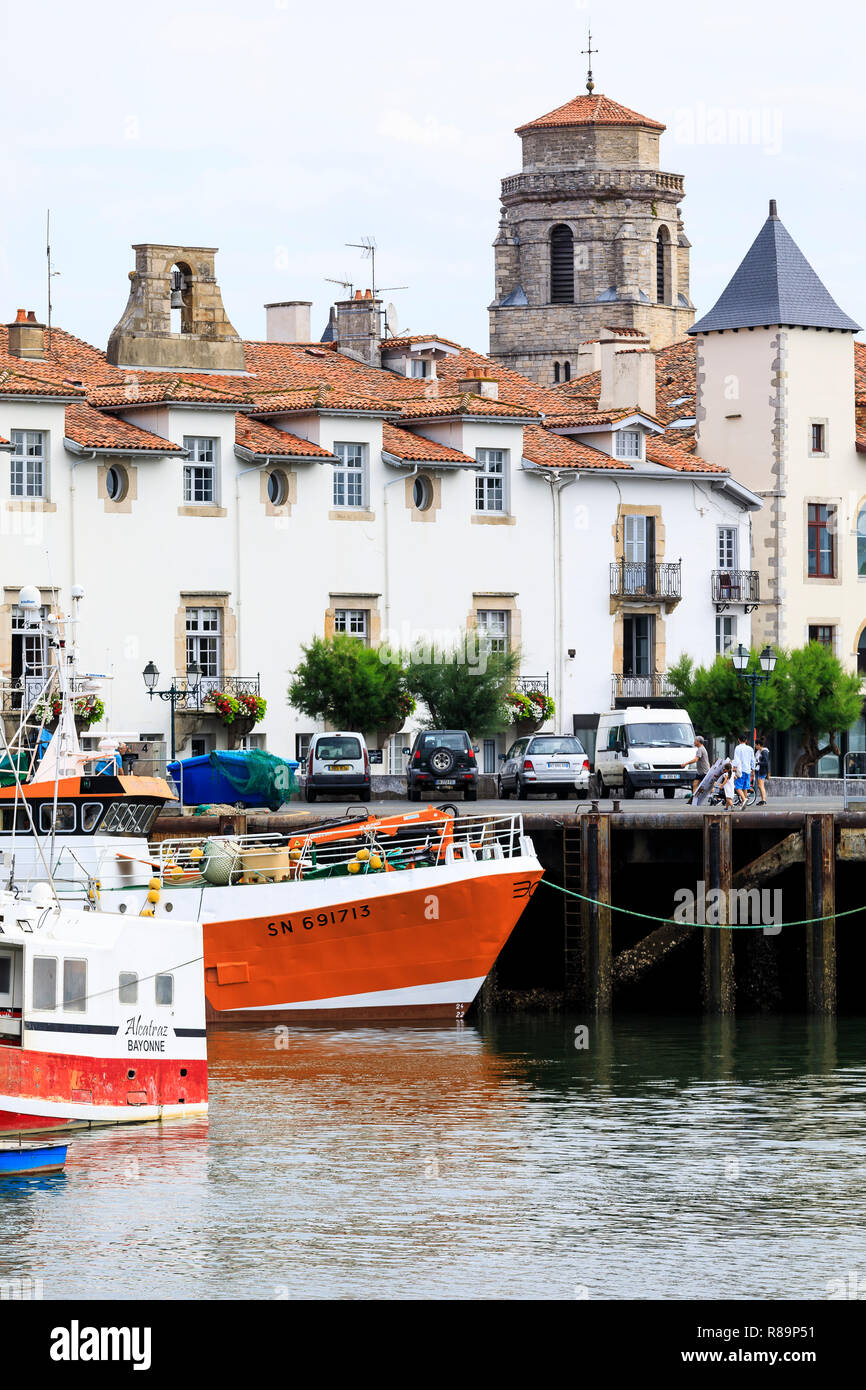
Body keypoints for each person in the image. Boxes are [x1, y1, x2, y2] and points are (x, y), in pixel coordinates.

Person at [732, 732, 756, 807]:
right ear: (746, 740)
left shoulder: (738, 748)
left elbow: (736, 759)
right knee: (745, 787)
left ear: (738, 740)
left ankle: (744, 799)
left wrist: (734, 768)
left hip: (740, 770)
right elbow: (753, 760)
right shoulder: (750, 748)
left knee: (738, 787)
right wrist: (753, 770)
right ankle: (743, 803)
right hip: (748, 770)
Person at [755, 736, 770, 806]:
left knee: (761, 785)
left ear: (758, 745)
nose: (755, 746)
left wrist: (758, 763)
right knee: (759, 785)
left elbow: (766, 762)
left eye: (756, 745)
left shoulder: (764, 752)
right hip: (758, 770)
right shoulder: (758, 751)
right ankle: (762, 799)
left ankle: (763, 800)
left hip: (762, 770)